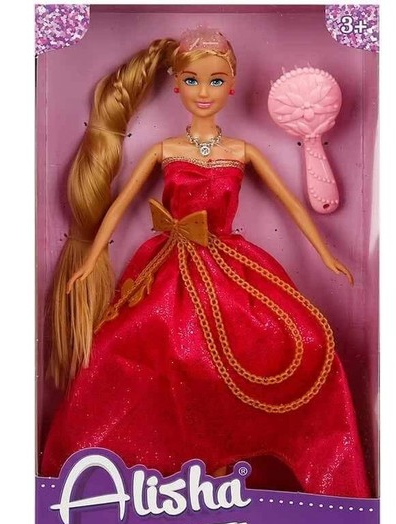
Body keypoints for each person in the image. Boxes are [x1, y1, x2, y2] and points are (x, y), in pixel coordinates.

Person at [41, 28, 370, 497]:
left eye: (216, 81)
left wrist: (327, 254)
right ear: (176, 85)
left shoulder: (241, 151)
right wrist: (90, 260)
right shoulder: (164, 150)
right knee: (131, 346)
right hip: (167, 266)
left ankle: (243, 462)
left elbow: (292, 205)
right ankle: (119, 474)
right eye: (192, 80)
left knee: (293, 343)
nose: (203, 91)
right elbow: (117, 207)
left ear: (232, 86)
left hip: (228, 262)